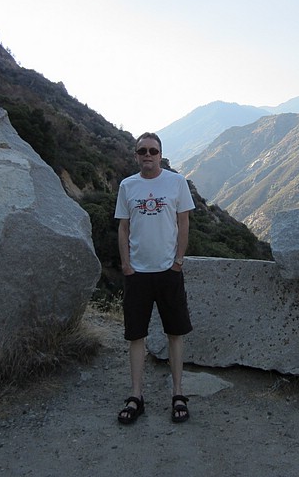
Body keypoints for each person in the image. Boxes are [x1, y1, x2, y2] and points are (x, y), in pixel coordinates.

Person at [114, 132, 195, 425]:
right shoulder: (128, 186)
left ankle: (178, 394)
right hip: (137, 273)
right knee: (136, 335)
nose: (147, 155)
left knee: (175, 333)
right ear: (136, 155)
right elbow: (123, 227)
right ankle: (136, 395)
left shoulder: (177, 182)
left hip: (168, 271)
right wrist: (125, 264)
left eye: (153, 150)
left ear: (161, 154)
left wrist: (178, 261)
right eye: (142, 151)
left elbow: (183, 222)